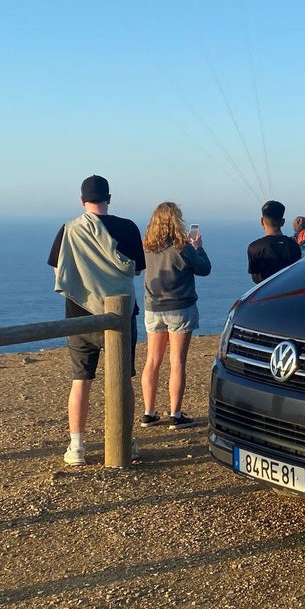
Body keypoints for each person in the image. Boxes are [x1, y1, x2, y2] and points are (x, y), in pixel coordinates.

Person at [48, 175, 144, 466]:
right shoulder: (127, 227)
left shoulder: (69, 230)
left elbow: (59, 272)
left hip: (79, 317)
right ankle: (125, 441)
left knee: (81, 381)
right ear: (109, 198)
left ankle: (77, 447)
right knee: (123, 380)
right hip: (120, 315)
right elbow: (136, 270)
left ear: (82, 200)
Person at [139, 202, 211, 429]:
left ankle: (149, 413)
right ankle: (175, 414)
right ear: (175, 221)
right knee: (177, 361)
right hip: (180, 307)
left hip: (153, 307)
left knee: (152, 360)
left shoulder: (147, 247)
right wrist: (198, 247)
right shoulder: (183, 246)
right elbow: (204, 269)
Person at [247, 200, 302, 284]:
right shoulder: (293, 245)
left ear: (262, 221)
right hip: (290, 292)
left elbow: (255, 278)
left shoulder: (254, 248)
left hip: (266, 294)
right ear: (283, 222)